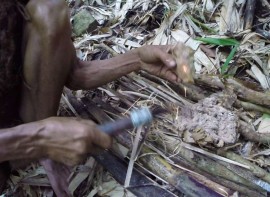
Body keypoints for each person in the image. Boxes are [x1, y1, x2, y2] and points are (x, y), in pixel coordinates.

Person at [0, 0, 180, 196]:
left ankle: (42, 150)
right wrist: (36, 140)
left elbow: (75, 73)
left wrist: (137, 59)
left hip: (17, 125)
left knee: (49, 9)